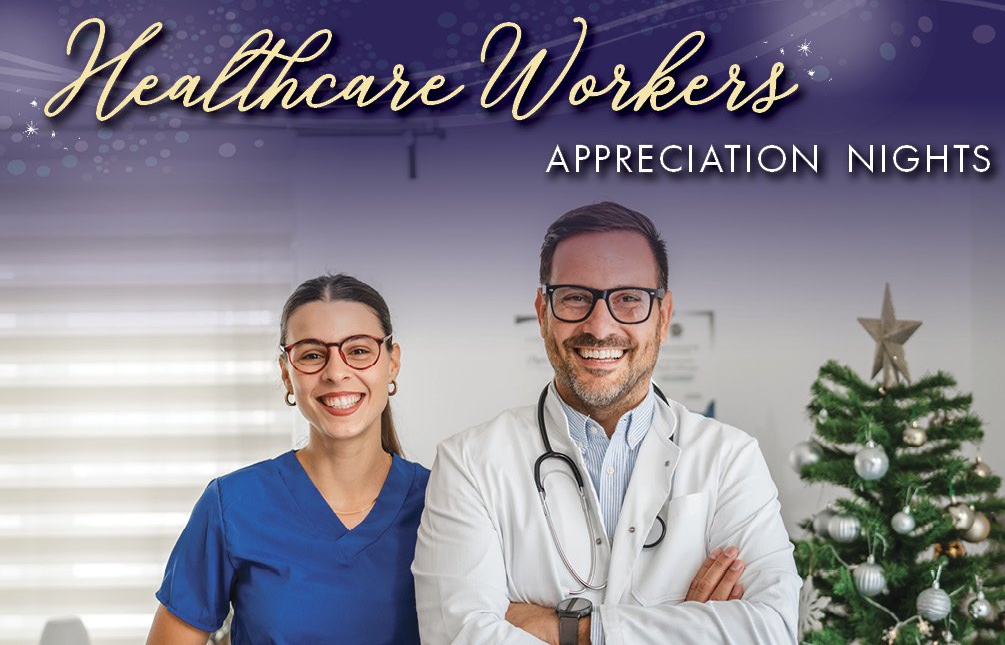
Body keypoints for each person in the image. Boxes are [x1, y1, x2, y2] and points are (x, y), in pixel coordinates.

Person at [413, 202, 801, 644]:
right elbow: (454, 637)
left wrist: (571, 630)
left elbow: (772, 630)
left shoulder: (730, 458)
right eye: (576, 297)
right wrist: (686, 625)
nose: (600, 326)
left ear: (664, 315)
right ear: (543, 312)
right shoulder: (469, 462)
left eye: (629, 299)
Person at [147, 274, 428, 645]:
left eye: (359, 350)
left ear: (392, 363)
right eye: (312, 354)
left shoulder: (442, 501)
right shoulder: (233, 505)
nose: (336, 371)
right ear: (286, 372)